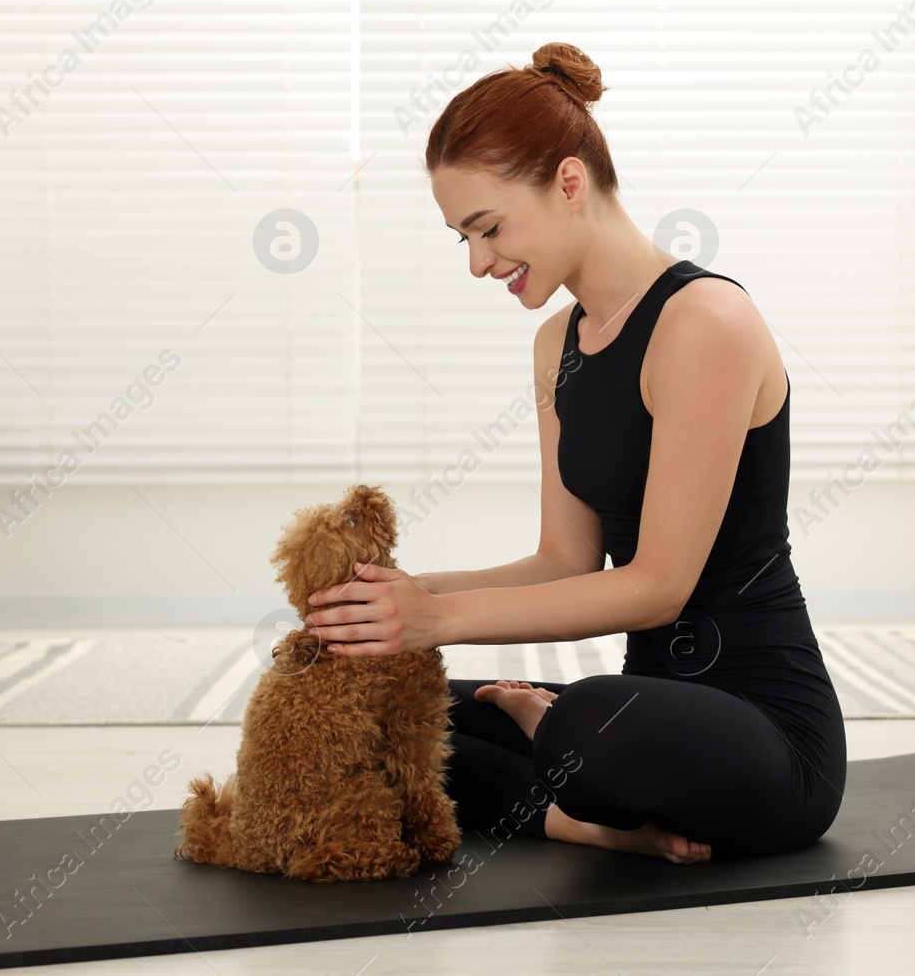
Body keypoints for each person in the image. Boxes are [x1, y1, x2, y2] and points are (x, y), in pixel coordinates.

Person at [303, 42, 847, 865]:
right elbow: (565, 558)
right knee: (368, 706)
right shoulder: (557, 340)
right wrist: (397, 598)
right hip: (648, 704)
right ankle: (588, 821)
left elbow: (659, 587)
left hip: (765, 728)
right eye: (464, 240)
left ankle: (556, 742)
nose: (481, 262)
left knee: (589, 728)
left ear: (567, 182)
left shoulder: (706, 322)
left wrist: (439, 620)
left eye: (488, 228)